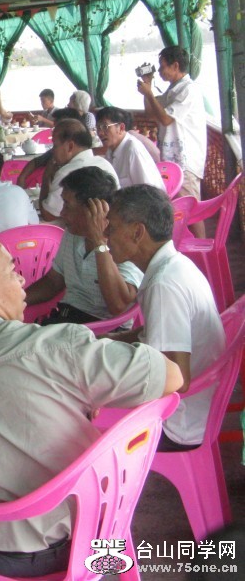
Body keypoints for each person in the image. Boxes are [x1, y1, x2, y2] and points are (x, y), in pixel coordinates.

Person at [0, 232, 182, 578]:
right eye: (12, 271)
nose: (22, 280)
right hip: (94, 531)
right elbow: (172, 376)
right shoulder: (56, 346)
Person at [103, 184, 225, 450]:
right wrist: (108, 340)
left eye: (111, 227)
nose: (105, 235)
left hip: (178, 421)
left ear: (138, 232)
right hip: (196, 409)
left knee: (76, 413)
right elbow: (154, 336)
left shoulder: (164, 285)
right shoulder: (174, 265)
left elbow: (178, 379)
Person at [25, 167, 142, 324]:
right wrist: (16, 300)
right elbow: (53, 281)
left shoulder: (122, 242)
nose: (62, 213)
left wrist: (99, 243)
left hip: (103, 330)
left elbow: (119, 306)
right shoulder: (72, 233)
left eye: (67, 205)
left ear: (92, 210)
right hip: (67, 319)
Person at [137, 45, 209, 237]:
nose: (160, 71)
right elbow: (151, 113)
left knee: (191, 209)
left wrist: (149, 93)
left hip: (186, 160)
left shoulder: (188, 90)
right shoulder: (174, 89)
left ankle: (202, 247)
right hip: (174, 159)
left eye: (162, 67)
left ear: (175, 66)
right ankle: (190, 245)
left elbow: (166, 119)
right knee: (181, 207)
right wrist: (148, 88)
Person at [39, 118, 118, 222]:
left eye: (55, 145)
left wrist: (46, 176)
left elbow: (48, 215)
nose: (53, 150)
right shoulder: (104, 163)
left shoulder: (66, 172)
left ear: (70, 146)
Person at [95, 106, 165, 190]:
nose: (100, 133)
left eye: (105, 127)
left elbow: (148, 190)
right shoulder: (110, 150)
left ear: (121, 128)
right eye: (98, 128)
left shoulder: (133, 149)